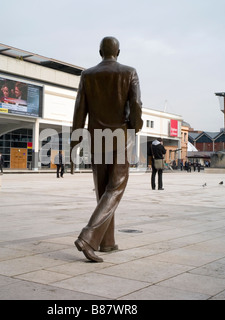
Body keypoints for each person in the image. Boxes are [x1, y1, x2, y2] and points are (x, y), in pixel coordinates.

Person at [71, 36, 143, 263]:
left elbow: (79, 109)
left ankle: (107, 242)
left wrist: (75, 141)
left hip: (96, 139)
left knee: (103, 192)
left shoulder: (87, 75)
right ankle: (88, 237)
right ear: (118, 52)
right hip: (120, 138)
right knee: (115, 189)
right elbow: (136, 104)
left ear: (99, 51)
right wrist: (136, 126)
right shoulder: (129, 72)